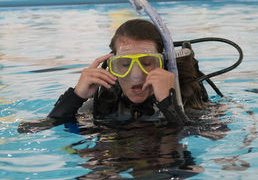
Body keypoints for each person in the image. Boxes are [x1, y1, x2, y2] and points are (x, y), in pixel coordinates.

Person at [18, 19, 209, 133]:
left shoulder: (184, 97)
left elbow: (202, 135)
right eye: (124, 65)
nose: (136, 76)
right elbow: (30, 129)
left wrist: (168, 103)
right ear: (111, 67)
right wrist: (76, 96)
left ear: (165, 64)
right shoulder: (107, 100)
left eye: (147, 63)